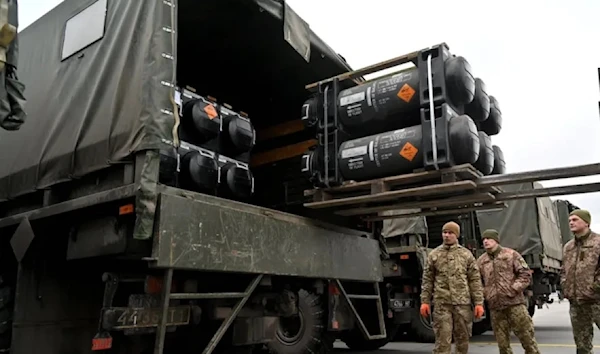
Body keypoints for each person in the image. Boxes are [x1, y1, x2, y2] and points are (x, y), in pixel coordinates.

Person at [420, 221, 485, 354]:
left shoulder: (466, 255)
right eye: (444, 232)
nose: (447, 235)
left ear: (456, 235)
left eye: (450, 233)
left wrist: (479, 303)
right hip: (442, 304)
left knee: (463, 341)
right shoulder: (434, 255)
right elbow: (427, 280)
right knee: (442, 341)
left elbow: (475, 280)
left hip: (462, 305)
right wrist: (425, 301)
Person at [476, 229, 540, 354]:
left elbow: (525, 274)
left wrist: (514, 288)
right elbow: (477, 280)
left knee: (527, 340)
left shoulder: (511, 254)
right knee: (503, 345)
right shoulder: (482, 261)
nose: (486, 241)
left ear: (496, 240)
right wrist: (486, 293)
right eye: (483, 239)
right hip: (495, 308)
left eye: (488, 239)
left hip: (514, 305)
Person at [560, 209, 600, 354]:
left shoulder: (598, 242)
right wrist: (565, 285)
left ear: (586, 222)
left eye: (575, 220)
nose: (571, 222)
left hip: (596, 300)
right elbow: (564, 269)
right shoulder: (568, 247)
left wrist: (594, 288)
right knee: (582, 345)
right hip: (577, 302)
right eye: (570, 220)